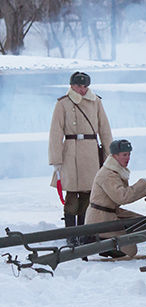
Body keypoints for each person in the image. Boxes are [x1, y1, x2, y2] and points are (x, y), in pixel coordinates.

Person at [48, 71, 113, 240]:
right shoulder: (62, 103)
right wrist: (56, 160)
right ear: (72, 86)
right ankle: (70, 233)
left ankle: (84, 233)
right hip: (70, 151)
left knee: (88, 194)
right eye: (79, 86)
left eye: (85, 86)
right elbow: (55, 132)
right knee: (71, 195)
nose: (83, 90)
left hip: (91, 151)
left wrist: (109, 155)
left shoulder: (96, 101)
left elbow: (105, 129)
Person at [84, 139, 146, 258]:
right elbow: (122, 197)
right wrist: (141, 185)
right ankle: (102, 243)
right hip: (100, 218)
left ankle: (108, 243)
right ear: (114, 156)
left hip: (110, 212)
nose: (128, 158)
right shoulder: (108, 174)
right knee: (130, 251)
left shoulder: (116, 171)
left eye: (129, 154)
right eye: (124, 155)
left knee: (143, 222)